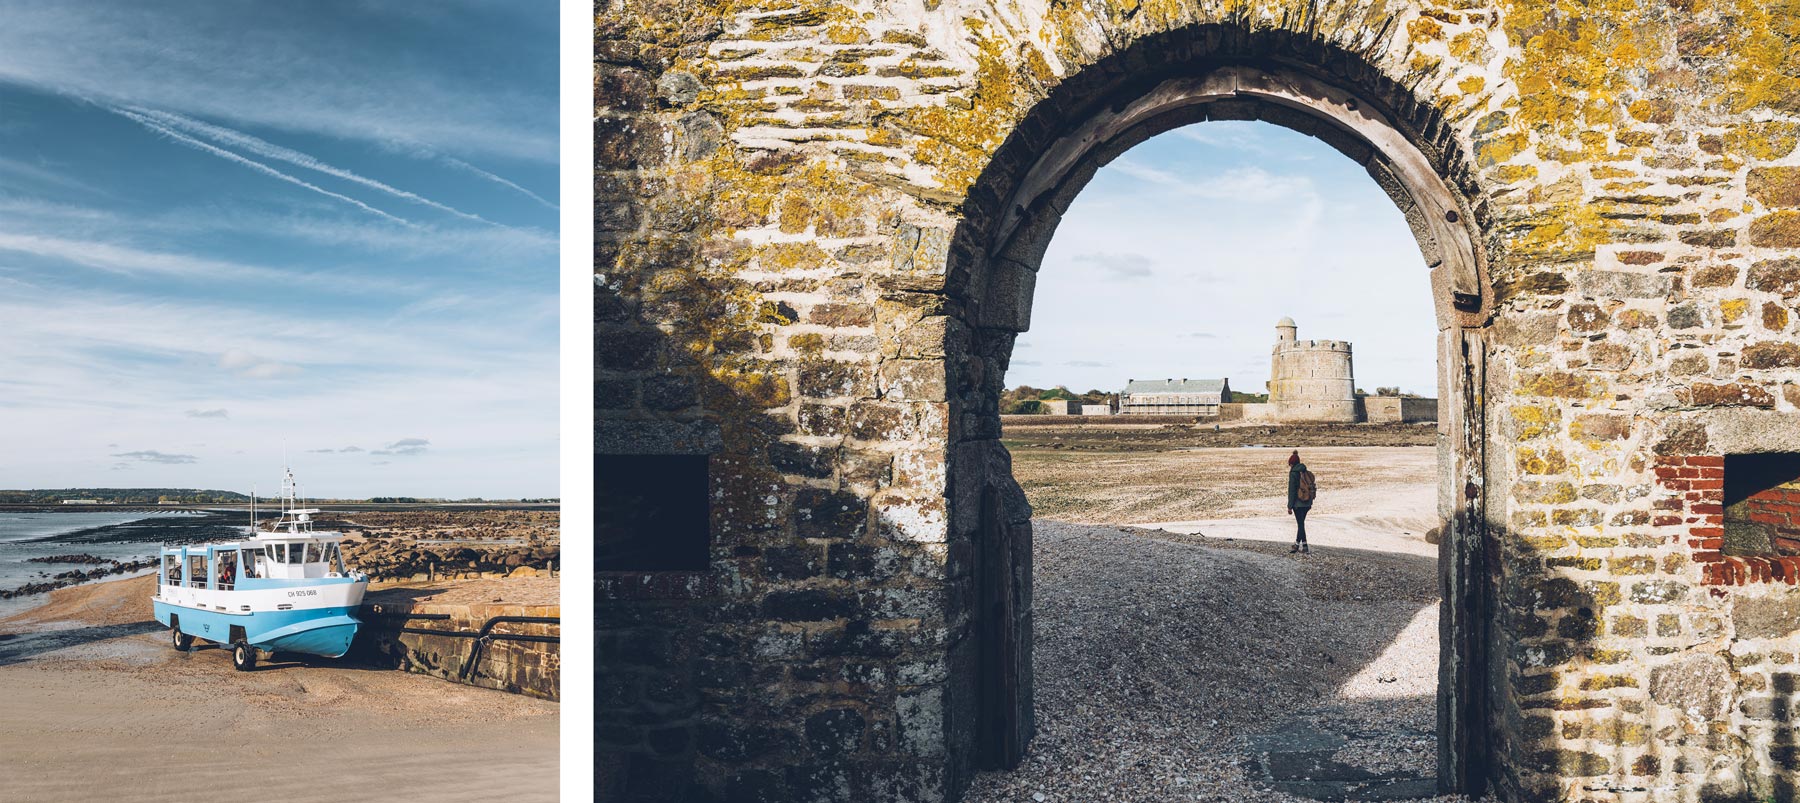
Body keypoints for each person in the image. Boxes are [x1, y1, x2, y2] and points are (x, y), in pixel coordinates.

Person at [1287, 450, 1314, 553]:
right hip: (1307, 502)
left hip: (1298, 503)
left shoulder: (1293, 473)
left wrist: (1289, 506)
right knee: (1301, 524)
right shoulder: (1304, 471)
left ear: (1291, 463)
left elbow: (1292, 491)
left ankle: (1305, 546)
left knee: (1301, 524)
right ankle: (1297, 545)